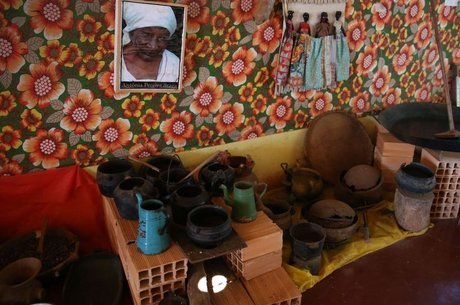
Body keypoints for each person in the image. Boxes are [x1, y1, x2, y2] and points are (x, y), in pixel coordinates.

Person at [121, 2, 180, 82]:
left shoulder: (174, 65)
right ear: (131, 32)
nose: (153, 46)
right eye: (146, 35)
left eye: (162, 38)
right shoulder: (112, 61)